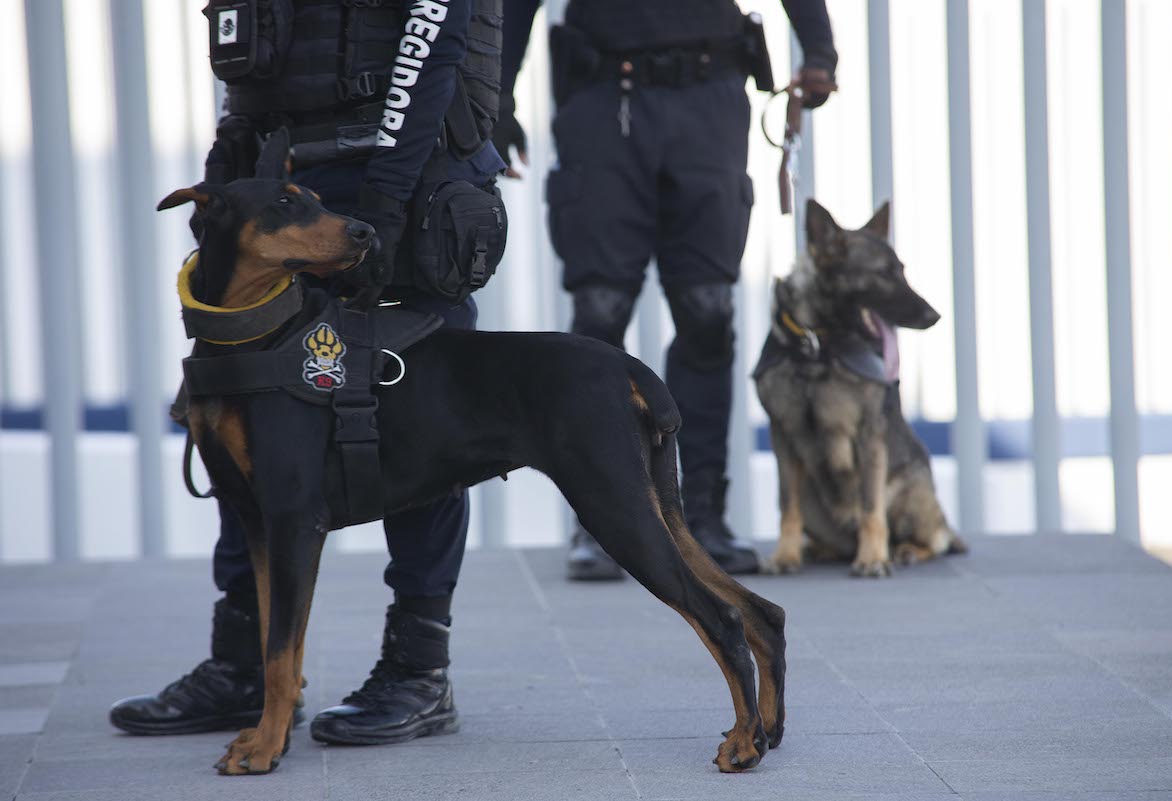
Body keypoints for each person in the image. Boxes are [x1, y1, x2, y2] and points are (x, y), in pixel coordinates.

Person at [109, 0, 506, 746]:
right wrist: (228, 160)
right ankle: (244, 667)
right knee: (246, 412)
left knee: (416, 418)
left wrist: (386, 202)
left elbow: (432, 48)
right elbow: (249, 54)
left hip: (406, 175)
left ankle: (418, 670)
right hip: (281, 179)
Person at [496, 0, 838, 579]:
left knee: (707, 312)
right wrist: (496, 100)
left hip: (708, 99)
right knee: (599, 312)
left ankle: (700, 519)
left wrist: (820, 53)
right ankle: (601, 523)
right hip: (604, 101)